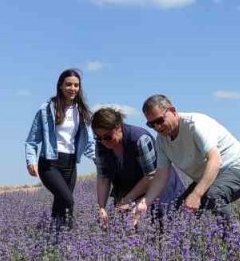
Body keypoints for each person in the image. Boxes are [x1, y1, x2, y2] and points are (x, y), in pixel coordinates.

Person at [133, 95, 240, 222]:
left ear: (172, 111)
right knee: (178, 213)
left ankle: (232, 238)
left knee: (213, 196)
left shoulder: (195, 124)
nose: (157, 127)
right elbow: (160, 176)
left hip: (239, 169)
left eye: (159, 120)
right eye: (151, 124)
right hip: (210, 177)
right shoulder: (161, 141)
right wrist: (145, 203)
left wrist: (197, 194)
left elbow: (215, 160)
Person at [89, 106, 182, 227]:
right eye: (98, 137)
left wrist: (127, 200)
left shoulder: (140, 139)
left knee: (162, 228)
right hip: (131, 192)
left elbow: (151, 175)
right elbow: (103, 177)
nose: (103, 141)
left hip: (161, 192)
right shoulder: (101, 144)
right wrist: (101, 207)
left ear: (118, 127)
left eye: (107, 137)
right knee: (126, 228)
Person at [24, 69, 94, 228]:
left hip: (70, 164)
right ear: (61, 86)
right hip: (49, 163)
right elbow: (32, 140)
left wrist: (100, 162)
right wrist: (31, 161)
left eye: (76, 85)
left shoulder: (81, 111)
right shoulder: (47, 109)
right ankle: (70, 240)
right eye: (68, 84)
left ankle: (54, 241)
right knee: (68, 201)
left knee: (60, 204)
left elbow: (89, 142)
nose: (73, 88)